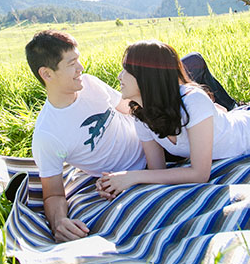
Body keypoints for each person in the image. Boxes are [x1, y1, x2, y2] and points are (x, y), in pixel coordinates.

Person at [96, 13, 250, 199]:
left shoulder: (192, 100)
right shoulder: (141, 114)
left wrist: (134, 177)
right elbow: (157, 171)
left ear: (147, 77)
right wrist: (118, 184)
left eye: (126, 69)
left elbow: (199, 174)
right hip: (246, 117)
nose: (119, 76)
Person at [25, 29, 234, 242]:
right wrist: (59, 221)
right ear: (47, 74)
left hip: (157, 132)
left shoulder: (89, 84)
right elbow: (53, 193)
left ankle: (231, 107)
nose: (81, 68)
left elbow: (131, 106)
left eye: (78, 60)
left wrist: (195, 107)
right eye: (71, 64)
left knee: (188, 64)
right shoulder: (48, 135)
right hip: (151, 161)